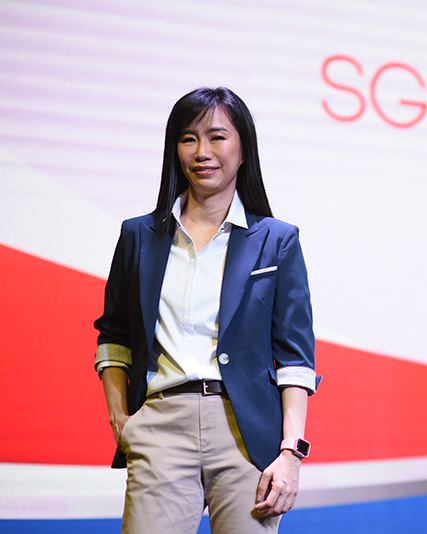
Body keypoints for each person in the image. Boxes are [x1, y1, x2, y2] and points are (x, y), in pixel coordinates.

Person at [94, 87, 316, 534]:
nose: (202, 152)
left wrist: (290, 452)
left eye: (217, 137)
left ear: (243, 149)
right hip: (161, 424)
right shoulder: (138, 236)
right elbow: (114, 336)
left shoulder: (277, 240)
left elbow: (295, 358)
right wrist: (120, 419)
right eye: (188, 138)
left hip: (246, 433)